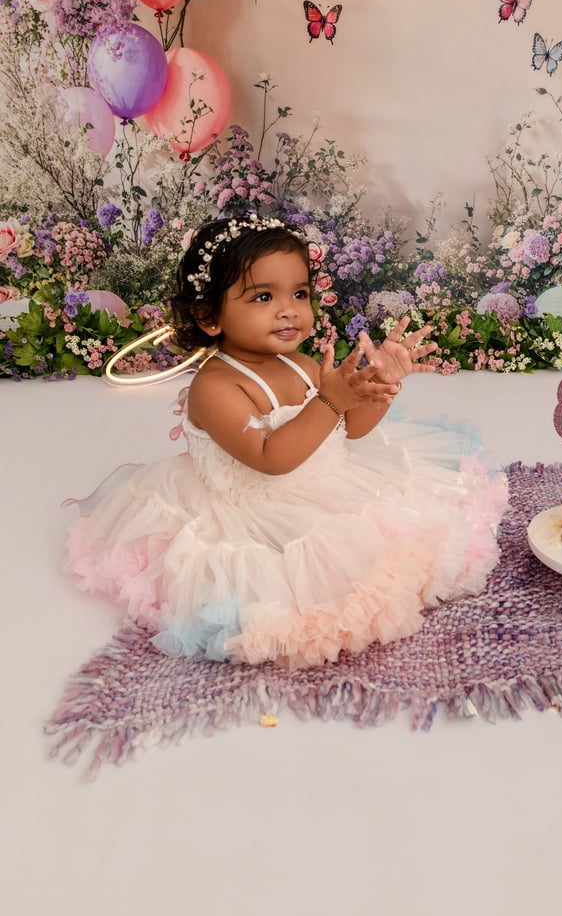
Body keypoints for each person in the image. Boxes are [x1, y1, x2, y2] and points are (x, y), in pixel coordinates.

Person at [64, 211, 508, 670]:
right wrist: (330, 400)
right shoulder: (215, 387)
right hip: (255, 504)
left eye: (300, 293)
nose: (289, 309)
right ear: (209, 316)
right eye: (263, 296)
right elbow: (271, 458)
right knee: (314, 580)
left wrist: (382, 384)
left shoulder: (300, 362)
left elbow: (350, 429)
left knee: (404, 534)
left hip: (326, 479)